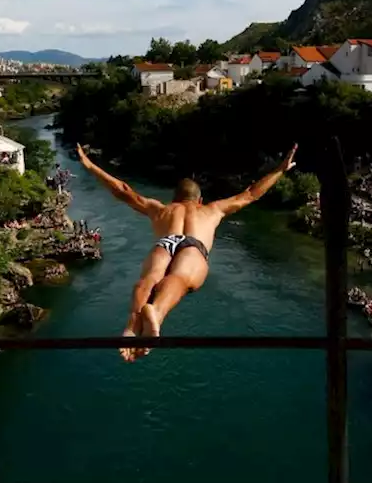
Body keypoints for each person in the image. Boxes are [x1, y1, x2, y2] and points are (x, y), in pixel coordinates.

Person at [76, 142, 298, 361]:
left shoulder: (161, 209)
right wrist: (279, 169)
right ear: (199, 200)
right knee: (180, 279)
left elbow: (123, 190)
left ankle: (132, 326)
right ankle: (156, 313)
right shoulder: (213, 209)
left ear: (174, 199)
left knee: (150, 279)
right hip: (193, 246)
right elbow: (250, 194)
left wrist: (90, 166)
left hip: (165, 242)